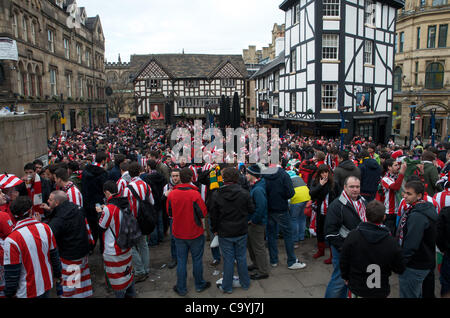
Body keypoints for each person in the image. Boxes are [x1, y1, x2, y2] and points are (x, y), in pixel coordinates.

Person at [340, 200, 405, 298]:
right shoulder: (391, 242)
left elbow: (344, 259)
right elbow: (399, 267)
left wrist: (345, 276)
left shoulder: (353, 236)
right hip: (380, 290)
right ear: (384, 217)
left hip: (357, 287)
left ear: (365, 216)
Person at [3, 196, 62, 298]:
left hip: (25, 292)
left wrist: (9, 293)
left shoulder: (11, 240)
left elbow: (12, 273)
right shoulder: (46, 228)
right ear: (30, 211)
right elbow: (54, 256)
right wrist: (58, 274)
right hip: (46, 284)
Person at [166, 167, 210, 296]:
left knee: (181, 260)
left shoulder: (172, 194)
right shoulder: (194, 194)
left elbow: (169, 213)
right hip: (194, 232)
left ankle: (181, 287)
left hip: (178, 232)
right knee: (197, 259)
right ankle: (199, 284)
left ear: (179, 178)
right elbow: (203, 213)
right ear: (191, 178)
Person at [210, 167, 254, 293]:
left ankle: (227, 286)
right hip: (240, 229)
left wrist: (215, 229)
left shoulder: (217, 194)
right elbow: (251, 209)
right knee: (241, 257)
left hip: (225, 232)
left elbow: (213, 215)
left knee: (228, 260)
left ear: (224, 179)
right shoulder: (244, 193)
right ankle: (245, 283)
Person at [41, 191, 92, 298]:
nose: (47, 201)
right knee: (81, 284)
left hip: (70, 257)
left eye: (50, 200)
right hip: (83, 252)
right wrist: (51, 210)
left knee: (71, 289)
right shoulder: (76, 208)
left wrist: (38, 223)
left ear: (57, 202)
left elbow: (49, 235)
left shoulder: (59, 219)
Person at [324, 176, 367, 298]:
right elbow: (330, 233)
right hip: (342, 250)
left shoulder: (363, 201)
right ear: (345, 187)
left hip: (357, 250)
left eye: (357, 187)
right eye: (351, 187)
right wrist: (344, 248)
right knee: (339, 280)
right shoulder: (337, 205)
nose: (355, 189)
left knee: (347, 281)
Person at [397, 180, 438, 298]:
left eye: (409, 194)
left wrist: (401, 262)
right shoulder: (421, 208)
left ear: (419, 195)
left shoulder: (417, 215)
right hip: (423, 261)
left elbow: (411, 243)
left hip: (414, 265)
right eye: (405, 192)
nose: (404, 196)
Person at [263, 165, 307, 270]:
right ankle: (291, 261)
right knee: (288, 235)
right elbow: (291, 193)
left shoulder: (264, 176)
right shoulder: (284, 174)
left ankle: (273, 260)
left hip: (269, 209)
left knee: (272, 234)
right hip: (281, 208)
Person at [97, 181, 135, 298]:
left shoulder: (109, 209)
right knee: (128, 273)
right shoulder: (125, 202)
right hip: (126, 244)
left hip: (113, 249)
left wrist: (100, 213)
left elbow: (101, 226)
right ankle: (131, 294)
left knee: (118, 281)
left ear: (107, 192)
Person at [122, 162, 153, 283]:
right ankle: (145, 269)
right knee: (143, 245)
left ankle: (140, 270)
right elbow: (152, 202)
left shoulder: (127, 188)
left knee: (131, 246)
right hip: (144, 219)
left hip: (132, 220)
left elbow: (124, 207)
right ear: (140, 171)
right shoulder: (145, 185)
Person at [310, 164, 339, 264]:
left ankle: (332, 255)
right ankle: (321, 251)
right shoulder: (316, 182)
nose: (324, 174)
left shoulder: (334, 183)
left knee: (330, 233)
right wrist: (320, 185)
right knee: (319, 232)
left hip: (331, 212)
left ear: (329, 172)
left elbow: (339, 196)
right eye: (322, 172)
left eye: (326, 172)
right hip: (320, 211)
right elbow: (311, 193)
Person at [246, 164, 270, 280]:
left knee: (258, 247)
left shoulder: (258, 189)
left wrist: (254, 220)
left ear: (253, 175)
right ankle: (256, 264)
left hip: (257, 223)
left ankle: (263, 271)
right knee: (252, 246)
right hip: (254, 222)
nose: (245, 175)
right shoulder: (256, 186)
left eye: (247, 173)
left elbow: (261, 207)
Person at [81, 152, 109, 249]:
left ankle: (91, 246)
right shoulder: (103, 173)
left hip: (87, 202)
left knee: (91, 226)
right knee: (101, 225)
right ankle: (102, 246)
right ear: (103, 161)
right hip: (99, 204)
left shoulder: (85, 171)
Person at [380, 159, 407, 235]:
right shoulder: (385, 179)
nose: (398, 167)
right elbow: (396, 187)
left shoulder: (397, 177)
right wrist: (402, 172)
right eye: (395, 165)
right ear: (389, 167)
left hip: (399, 211)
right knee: (390, 235)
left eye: (398, 165)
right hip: (390, 213)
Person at [162, 169, 181, 269]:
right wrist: (165, 196)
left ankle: (182, 256)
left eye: (177, 175)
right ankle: (175, 258)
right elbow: (162, 202)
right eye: (173, 176)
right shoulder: (167, 187)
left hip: (182, 216)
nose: (175, 178)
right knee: (173, 238)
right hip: (172, 216)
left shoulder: (184, 185)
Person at [287, 170, 311, 248]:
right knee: (302, 218)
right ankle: (301, 237)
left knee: (294, 219)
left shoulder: (288, 179)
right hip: (307, 197)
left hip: (296, 199)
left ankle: (295, 240)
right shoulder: (299, 178)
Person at [436, 190, 450, 298]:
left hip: (448, 253)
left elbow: (439, 234)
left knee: (446, 281)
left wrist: (443, 248)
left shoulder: (446, 212)